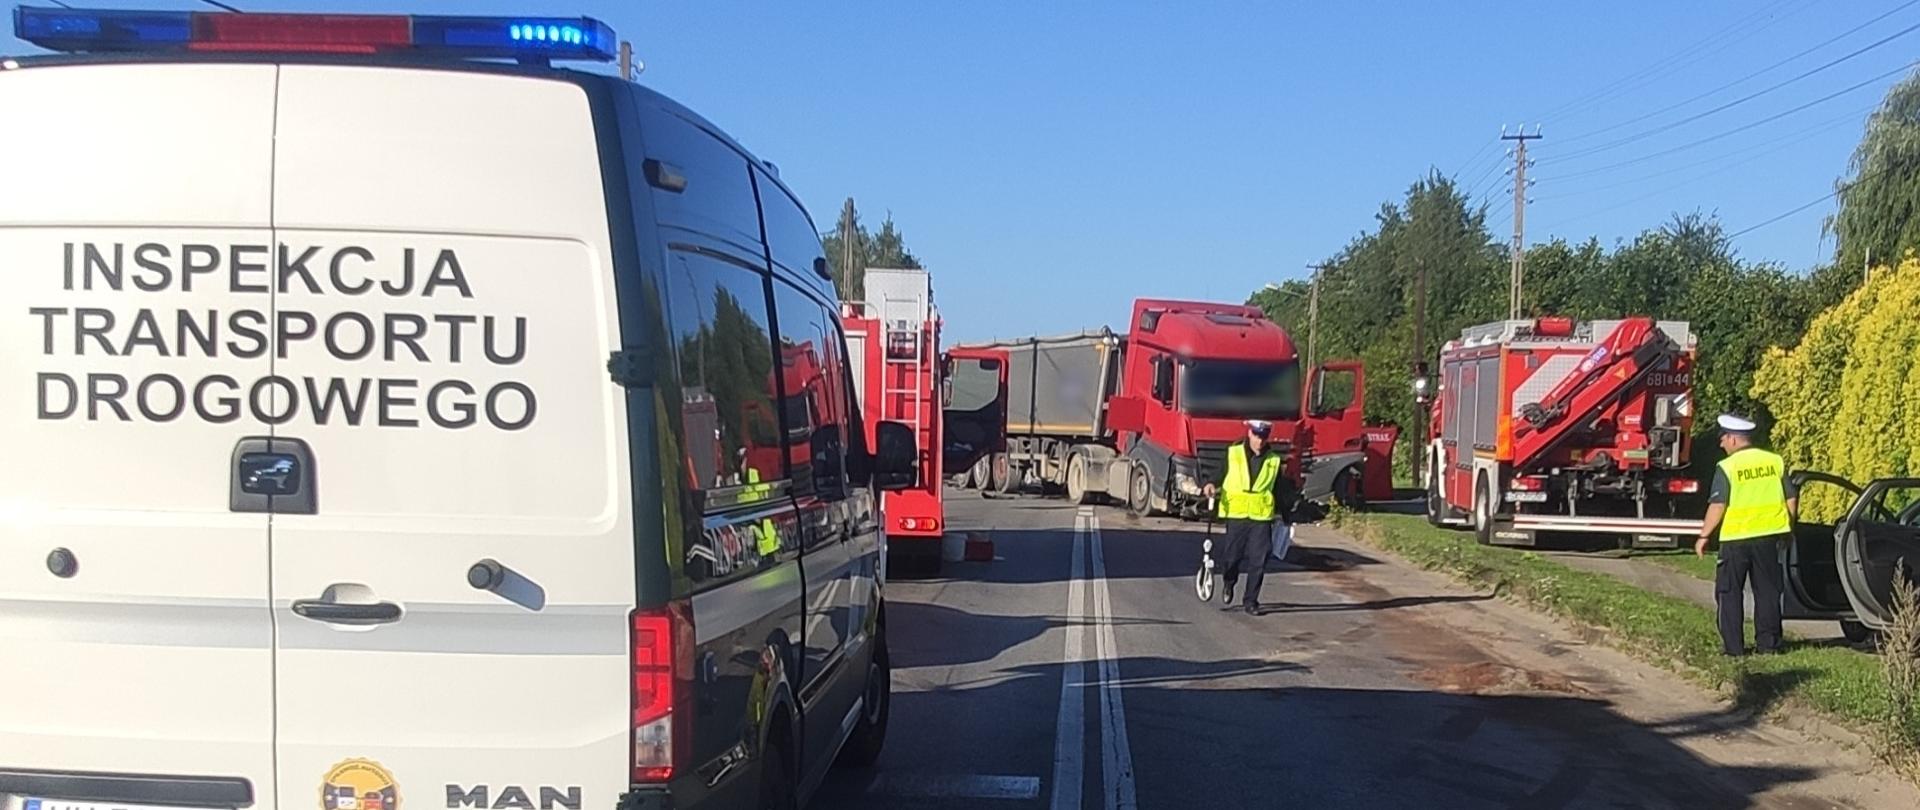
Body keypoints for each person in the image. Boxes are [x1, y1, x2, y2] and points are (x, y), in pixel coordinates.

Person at [1695, 413, 1798, 657]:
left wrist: (1704, 536)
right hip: (1769, 535)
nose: (1721, 444)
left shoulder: (1728, 467)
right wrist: (1789, 528)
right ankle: (1768, 645)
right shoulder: (1774, 461)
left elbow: (1718, 504)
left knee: (1729, 591)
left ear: (1733, 438)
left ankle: (1734, 648)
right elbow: (1791, 498)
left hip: (1736, 537)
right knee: (1768, 591)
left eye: (1723, 439)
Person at [1203, 419, 1286, 615]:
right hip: (1237, 513)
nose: (1259, 441)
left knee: (1259, 559)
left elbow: (1280, 489)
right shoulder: (1233, 453)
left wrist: (1286, 514)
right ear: (1249, 433)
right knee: (1232, 557)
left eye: (1263, 437)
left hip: (1261, 515)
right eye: (1256, 436)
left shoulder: (1273, 460)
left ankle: (1251, 601)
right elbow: (1220, 473)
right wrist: (1210, 484)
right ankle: (1229, 582)